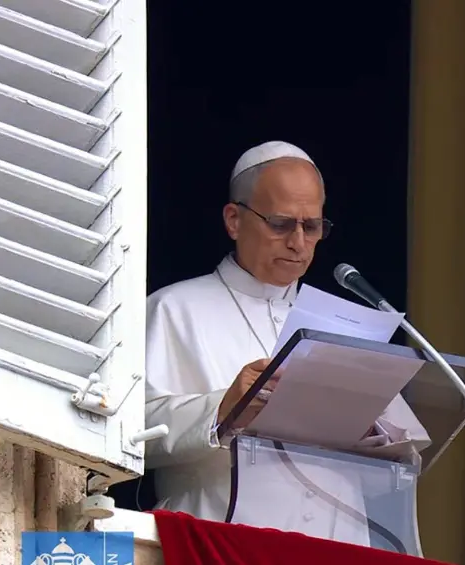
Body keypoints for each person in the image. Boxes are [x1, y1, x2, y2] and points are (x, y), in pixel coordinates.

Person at [144, 141, 430, 547]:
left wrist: (372, 428)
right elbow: (128, 435)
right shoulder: (174, 308)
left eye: (311, 226)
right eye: (281, 224)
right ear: (234, 220)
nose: (298, 242)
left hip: (337, 544)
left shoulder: (347, 325)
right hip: (222, 542)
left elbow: (404, 450)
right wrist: (221, 409)